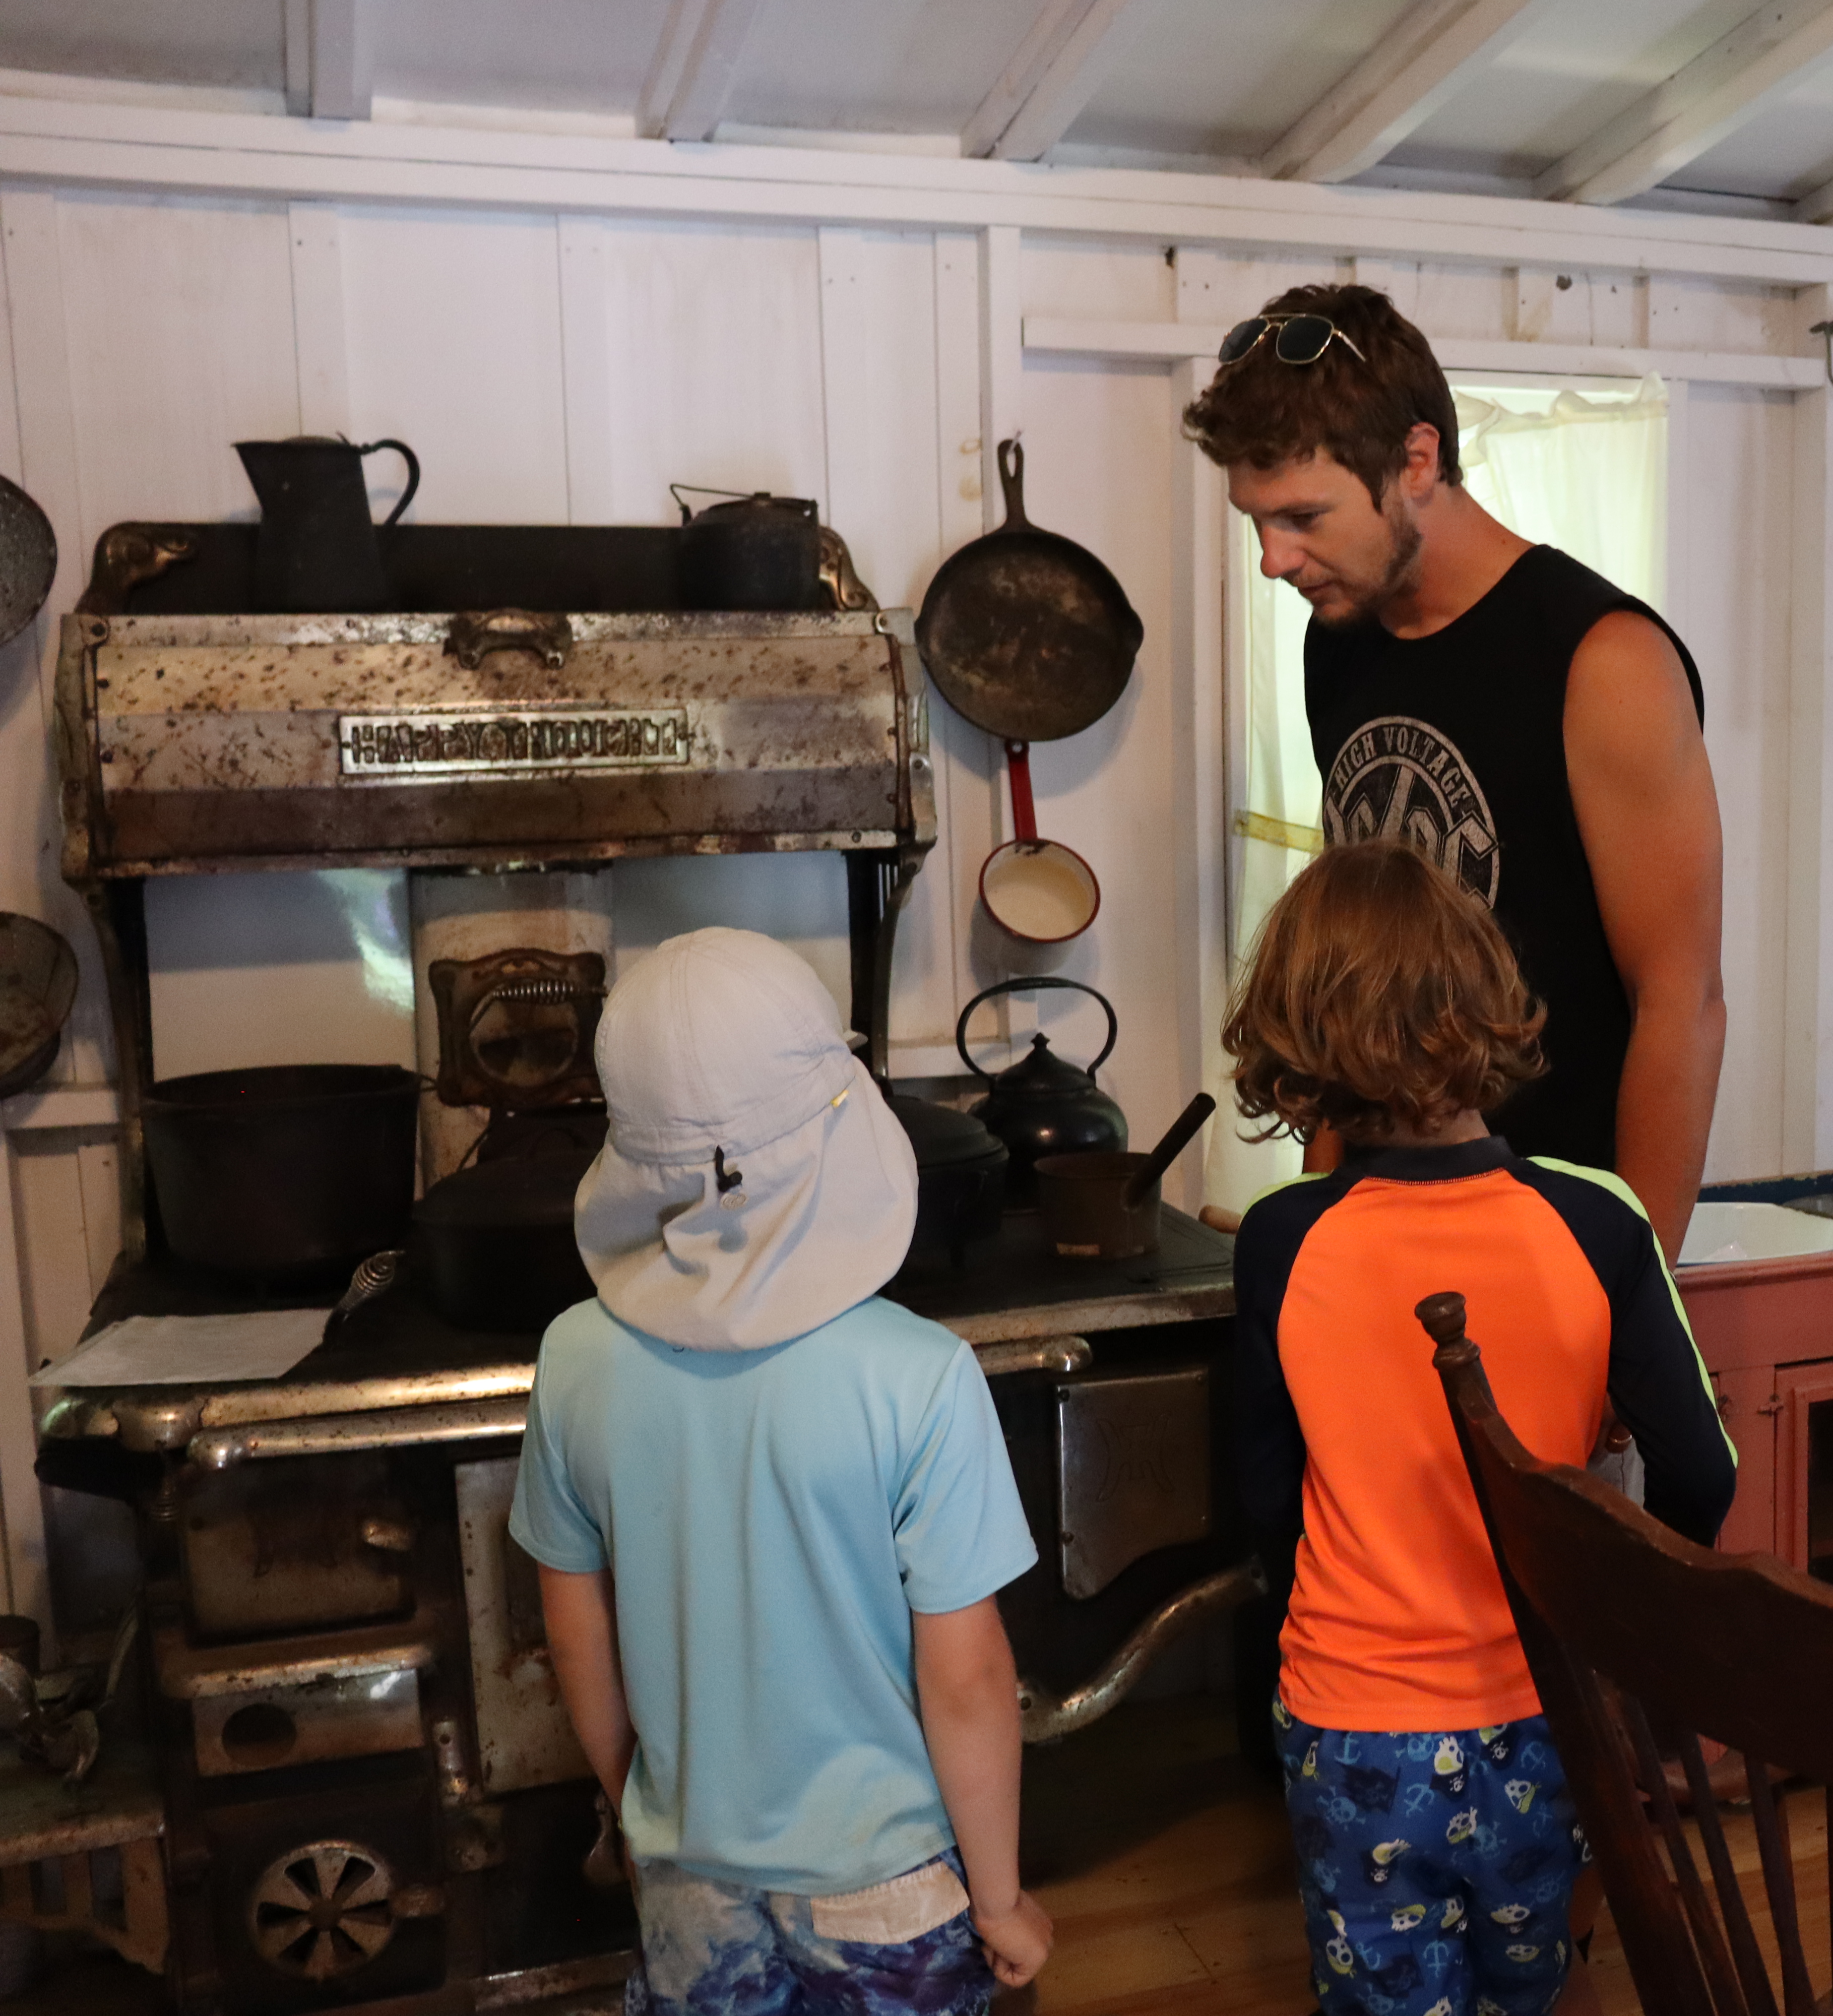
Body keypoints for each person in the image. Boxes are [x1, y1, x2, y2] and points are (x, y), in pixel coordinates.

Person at [1225, 841, 1737, 2016]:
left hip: (1353, 1723)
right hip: (1547, 1712)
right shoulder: (1597, 1220)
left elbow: (1261, 1494)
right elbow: (1699, 1470)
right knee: (1529, 1990)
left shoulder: (1281, 1239)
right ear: (1486, 1004)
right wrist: (1625, 1622)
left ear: (1298, 1033)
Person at [510, 927, 1053, 2013]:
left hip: (685, 1869)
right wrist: (997, 1897)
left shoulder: (573, 1354)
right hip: (888, 1879)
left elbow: (575, 1622)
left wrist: (638, 1809)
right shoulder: (921, 1375)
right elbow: (970, 1678)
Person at [1183, 283, 1726, 1259]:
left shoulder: (1603, 660)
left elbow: (1680, 1005)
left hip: (1549, 1240)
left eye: (1303, 515)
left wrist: (1633, 1294)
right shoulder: (1339, 641)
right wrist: (1321, 1230)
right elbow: (1363, 979)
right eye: (1255, 519)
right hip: (1385, 1231)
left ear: (1418, 459)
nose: (1273, 558)